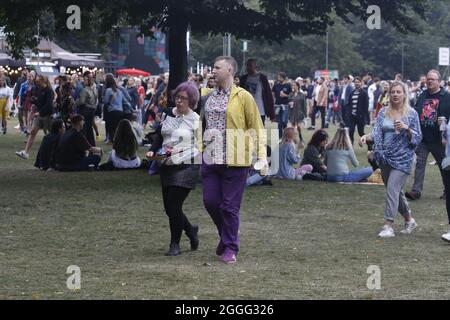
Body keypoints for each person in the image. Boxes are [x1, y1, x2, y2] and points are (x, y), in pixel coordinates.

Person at [201, 56, 267, 264]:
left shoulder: (243, 97)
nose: (213, 71)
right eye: (213, 67)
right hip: (211, 157)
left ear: (230, 70)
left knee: (229, 207)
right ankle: (226, 235)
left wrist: (262, 156)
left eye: (217, 67)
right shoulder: (208, 97)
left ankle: (230, 246)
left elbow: (257, 127)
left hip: (236, 159)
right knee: (210, 202)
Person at [146, 81, 201, 256]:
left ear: (191, 101)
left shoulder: (196, 119)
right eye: (177, 97)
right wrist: (152, 150)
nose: (179, 101)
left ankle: (174, 244)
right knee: (169, 208)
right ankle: (191, 230)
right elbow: (160, 135)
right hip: (167, 164)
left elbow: (201, 145)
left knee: (174, 204)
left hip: (187, 165)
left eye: (183, 98)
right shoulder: (168, 113)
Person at [372, 81, 422, 238]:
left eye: (398, 92)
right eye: (392, 92)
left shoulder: (411, 114)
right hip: (385, 156)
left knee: (392, 189)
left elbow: (418, 137)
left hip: (403, 158)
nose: (395, 94)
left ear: (404, 94)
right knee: (395, 192)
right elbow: (377, 132)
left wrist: (407, 128)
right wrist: (367, 137)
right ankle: (409, 220)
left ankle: (388, 226)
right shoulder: (383, 112)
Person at [405, 69, 450, 201]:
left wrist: (446, 127)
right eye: (428, 79)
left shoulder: (446, 96)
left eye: (432, 79)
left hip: (440, 139)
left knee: (445, 166)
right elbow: (415, 113)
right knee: (420, 163)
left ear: (439, 82)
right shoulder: (423, 95)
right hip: (423, 138)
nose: (429, 81)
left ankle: (448, 191)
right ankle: (416, 191)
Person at [16, 75, 55, 159]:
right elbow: (39, 102)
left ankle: (56, 152)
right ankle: (25, 152)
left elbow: (49, 105)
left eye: (38, 81)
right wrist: (34, 100)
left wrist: (39, 112)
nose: (36, 83)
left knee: (51, 134)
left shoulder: (49, 91)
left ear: (43, 81)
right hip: (39, 116)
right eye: (36, 81)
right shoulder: (38, 90)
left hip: (48, 116)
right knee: (33, 132)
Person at [240, 58, 276, 125]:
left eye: (250, 65)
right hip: (246, 110)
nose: (248, 67)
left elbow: (269, 96)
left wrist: (272, 115)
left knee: (259, 133)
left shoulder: (262, 78)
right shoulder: (243, 78)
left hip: (260, 111)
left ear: (255, 67)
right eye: (247, 65)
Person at [76, 71, 98, 146]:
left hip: (85, 110)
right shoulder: (94, 89)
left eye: (85, 80)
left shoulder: (85, 90)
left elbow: (81, 101)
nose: (83, 81)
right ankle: (91, 144)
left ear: (88, 80)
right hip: (91, 110)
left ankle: (84, 145)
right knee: (89, 128)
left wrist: (75, 102)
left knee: (84, 129)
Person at [346, 77, 369, 145]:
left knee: (361, 133)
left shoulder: (364, 93)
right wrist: (348, 113)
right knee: (351, 131)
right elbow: (349, 104)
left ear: (361, 83)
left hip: (360, 116)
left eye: (358, 82)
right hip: (352, 116)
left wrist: (364, 116)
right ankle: (351, 146)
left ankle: (370, 145)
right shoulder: (352, 93)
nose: (357, 83)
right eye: (355, 82)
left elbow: (366, 106)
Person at [103, 73, 125, 142]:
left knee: (111, 127)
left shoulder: (108, 90)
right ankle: (118, 140)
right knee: (117, 127)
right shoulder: (119, 90)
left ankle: (112, 140)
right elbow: (123, 100)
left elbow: (106, 101)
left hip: (112, 110)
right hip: (120, 111)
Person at [272, 72, 292, 138]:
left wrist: (285, 95)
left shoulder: (288, 86)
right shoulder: (275, 85)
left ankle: (286, 136)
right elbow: (273, 95)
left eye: (280, 77)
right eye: (278, 77)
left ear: (284, 78)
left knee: (284, 121)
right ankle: (280, 137)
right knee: (279, 123)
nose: (278, 78)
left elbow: (291, 96)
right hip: (277, 106)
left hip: (285, 106)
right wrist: (273, 103)